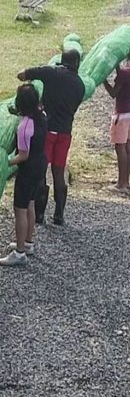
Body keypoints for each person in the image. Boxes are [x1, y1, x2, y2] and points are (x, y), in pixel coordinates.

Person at [17, 49, 86, 226]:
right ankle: (59, 214)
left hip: (47, 130)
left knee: (41, 171)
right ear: (77, 63)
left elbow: (23, 74)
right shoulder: (80, 84)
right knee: (58, 171)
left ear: (62, 60)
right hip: (65, 132)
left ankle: (39, 214)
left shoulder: (51, 72)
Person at [1, 85, 48, 266]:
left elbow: (23, 155)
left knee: (19, 209)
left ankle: (19, 253)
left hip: (28, 169)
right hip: (41, 164)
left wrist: (6, 163)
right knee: (30, 204)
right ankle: (28, 243)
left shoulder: (24, 126)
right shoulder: (42, 116)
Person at [104, 44, 130, 191]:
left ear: (129, 54)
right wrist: (118, 69)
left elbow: (113, 93)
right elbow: (124, 75)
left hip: (122, 113)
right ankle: (126, 181)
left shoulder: (125, 74)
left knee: (119, 147)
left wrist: (104, 80)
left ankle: (120, 184)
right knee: (129, 146)